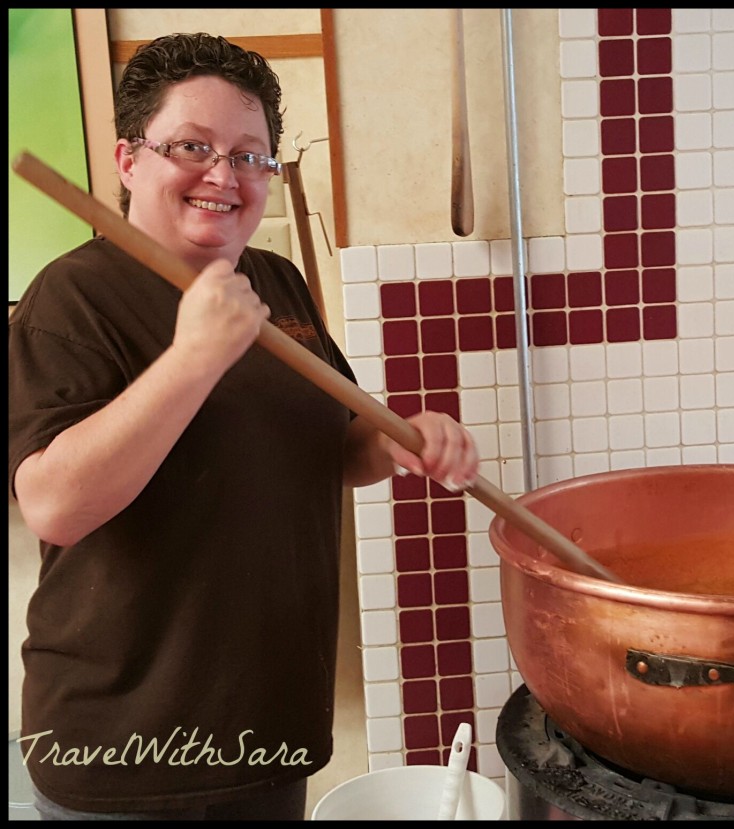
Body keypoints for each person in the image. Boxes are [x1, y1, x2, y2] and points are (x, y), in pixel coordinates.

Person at [8, 33, 478, 820]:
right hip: (126, 741)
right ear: (130, 161)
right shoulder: (72, 299)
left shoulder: (275, 280)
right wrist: (194, 358)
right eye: (193, 145)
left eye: (251, 155)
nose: (224, 175)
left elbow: (333, 443)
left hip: (266, 727)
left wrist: (399, 439)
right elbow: (55, 504)